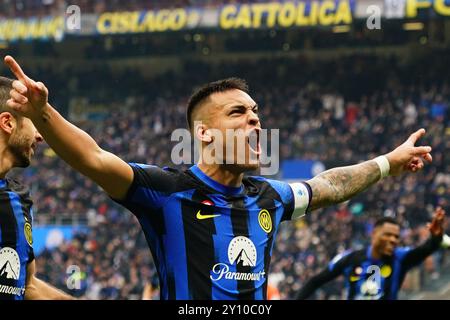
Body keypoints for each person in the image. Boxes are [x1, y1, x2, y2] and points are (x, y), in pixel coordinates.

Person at [4, 55, 434, 300]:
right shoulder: (167, 191)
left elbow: (331, 185)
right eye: (238, 113)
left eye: (256, 113)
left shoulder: (269, 197)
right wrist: (42, 112)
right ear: (203, 133)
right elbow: (94, 158)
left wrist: (388, 163)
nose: (255, 122)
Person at [0, 76, 73, 300]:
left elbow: (28, 284)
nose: (40, 136)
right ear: (8, 123)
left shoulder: (17, 199)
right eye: (34, 123)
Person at [296, 207, 447, 300]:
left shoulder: (400, 258)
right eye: (388, 234)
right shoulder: (351, 258)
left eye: (396, 237)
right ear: (374, 233)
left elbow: (426, 249)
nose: (393, 240)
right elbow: (315, 281)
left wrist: (436, 236)